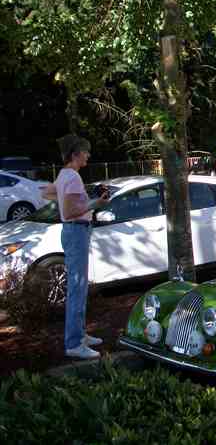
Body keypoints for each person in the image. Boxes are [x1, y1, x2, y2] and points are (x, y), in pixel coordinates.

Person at [42, 134, 109, 360]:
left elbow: (46, 193)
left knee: (78, 287)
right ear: (75, 154)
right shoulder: (72, 177)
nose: (88, 155)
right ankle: (74, 343)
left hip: (73, 232)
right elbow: (71, 212)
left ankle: (79, 334)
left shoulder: (64, 175)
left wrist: (67, 200)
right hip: (76, 231)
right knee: (77, 288)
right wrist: (97, 203)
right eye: (85, 151)